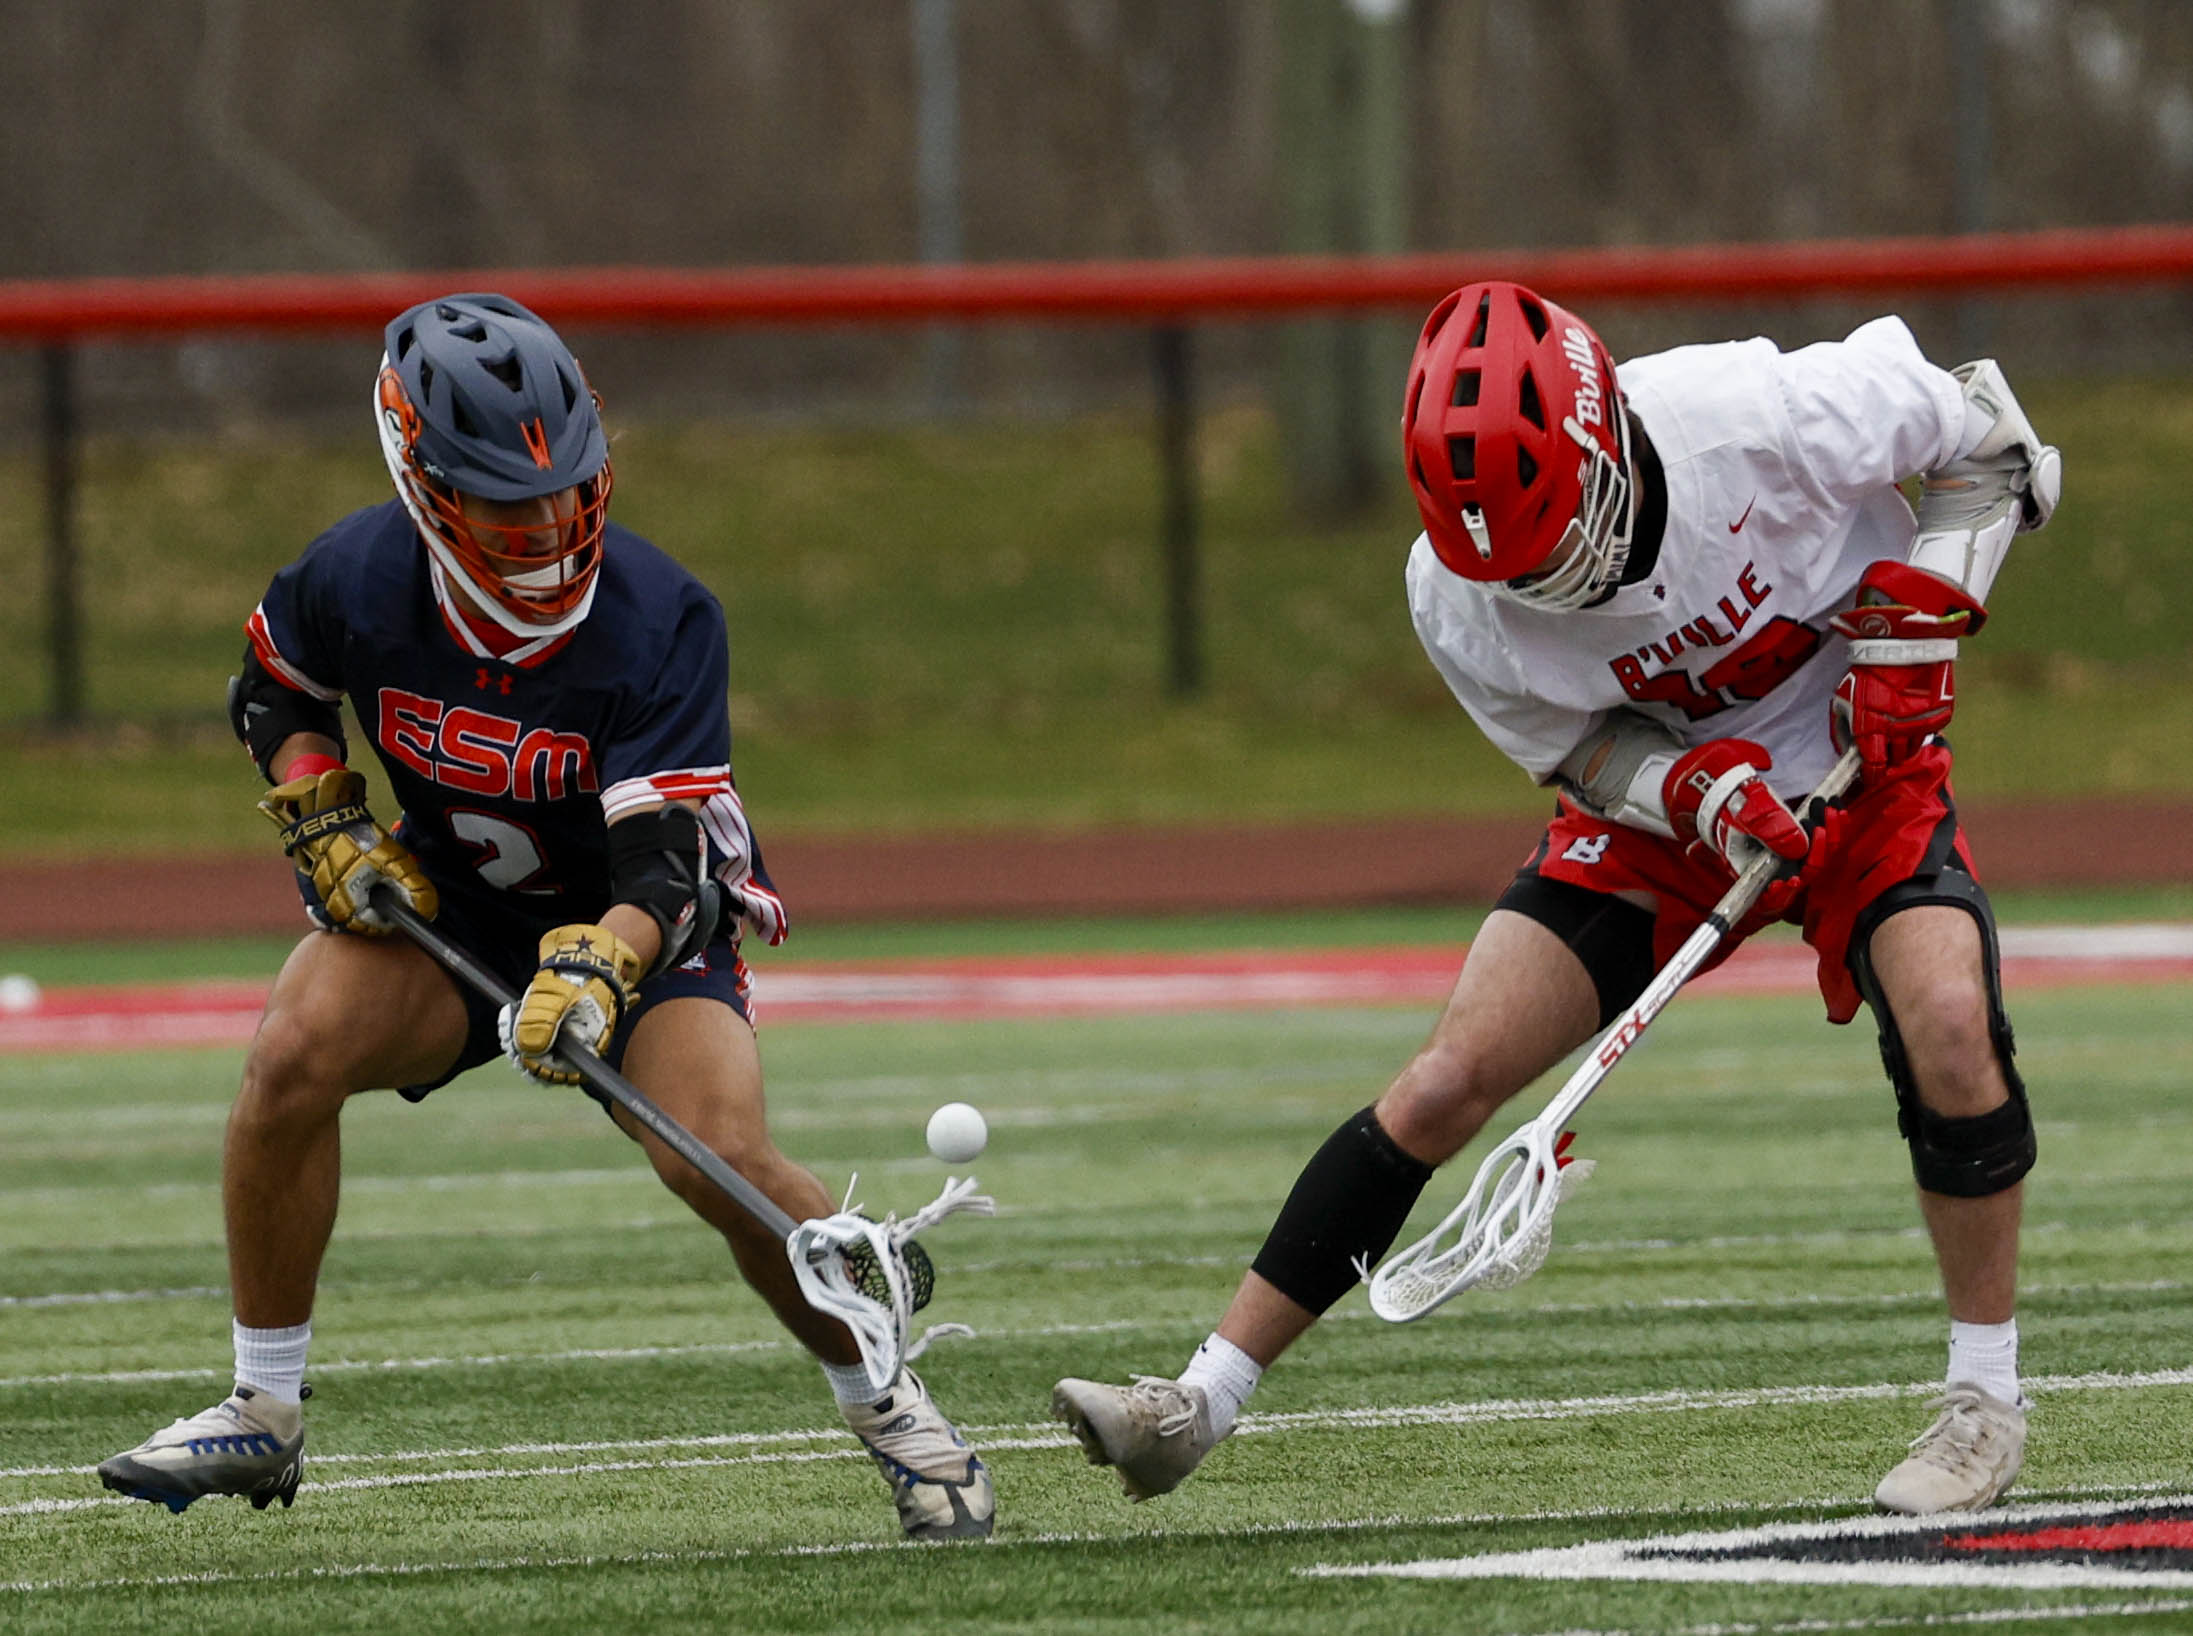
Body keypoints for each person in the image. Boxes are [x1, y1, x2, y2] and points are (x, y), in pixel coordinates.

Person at [1053, 281, 2061, 1516]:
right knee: (1440, 1081)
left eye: (1550, 540)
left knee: (1952, 1030)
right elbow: (1581, 752)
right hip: (1673, 816)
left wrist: (1918, 629)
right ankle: (1199, 1401)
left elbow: (1993, 440)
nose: (1536, 587)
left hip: (1862, 767)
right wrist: (1689, 789)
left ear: (1602, 446)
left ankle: (1984, 1405)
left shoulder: (1756, 415)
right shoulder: (1453, 592)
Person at [96, 293, 994, 1542]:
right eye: (506, 501)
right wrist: (325, 812)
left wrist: (604, 964)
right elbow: (276, 690)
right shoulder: (356, 575)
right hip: (458, 906)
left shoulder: (659, 617)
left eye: (568, 488)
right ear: (420, 481)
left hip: (640, 922)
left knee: (710, 1150)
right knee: (293, 1049)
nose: (549, 521)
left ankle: (896, 1404)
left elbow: (669, 872)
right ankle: (265, 1403)